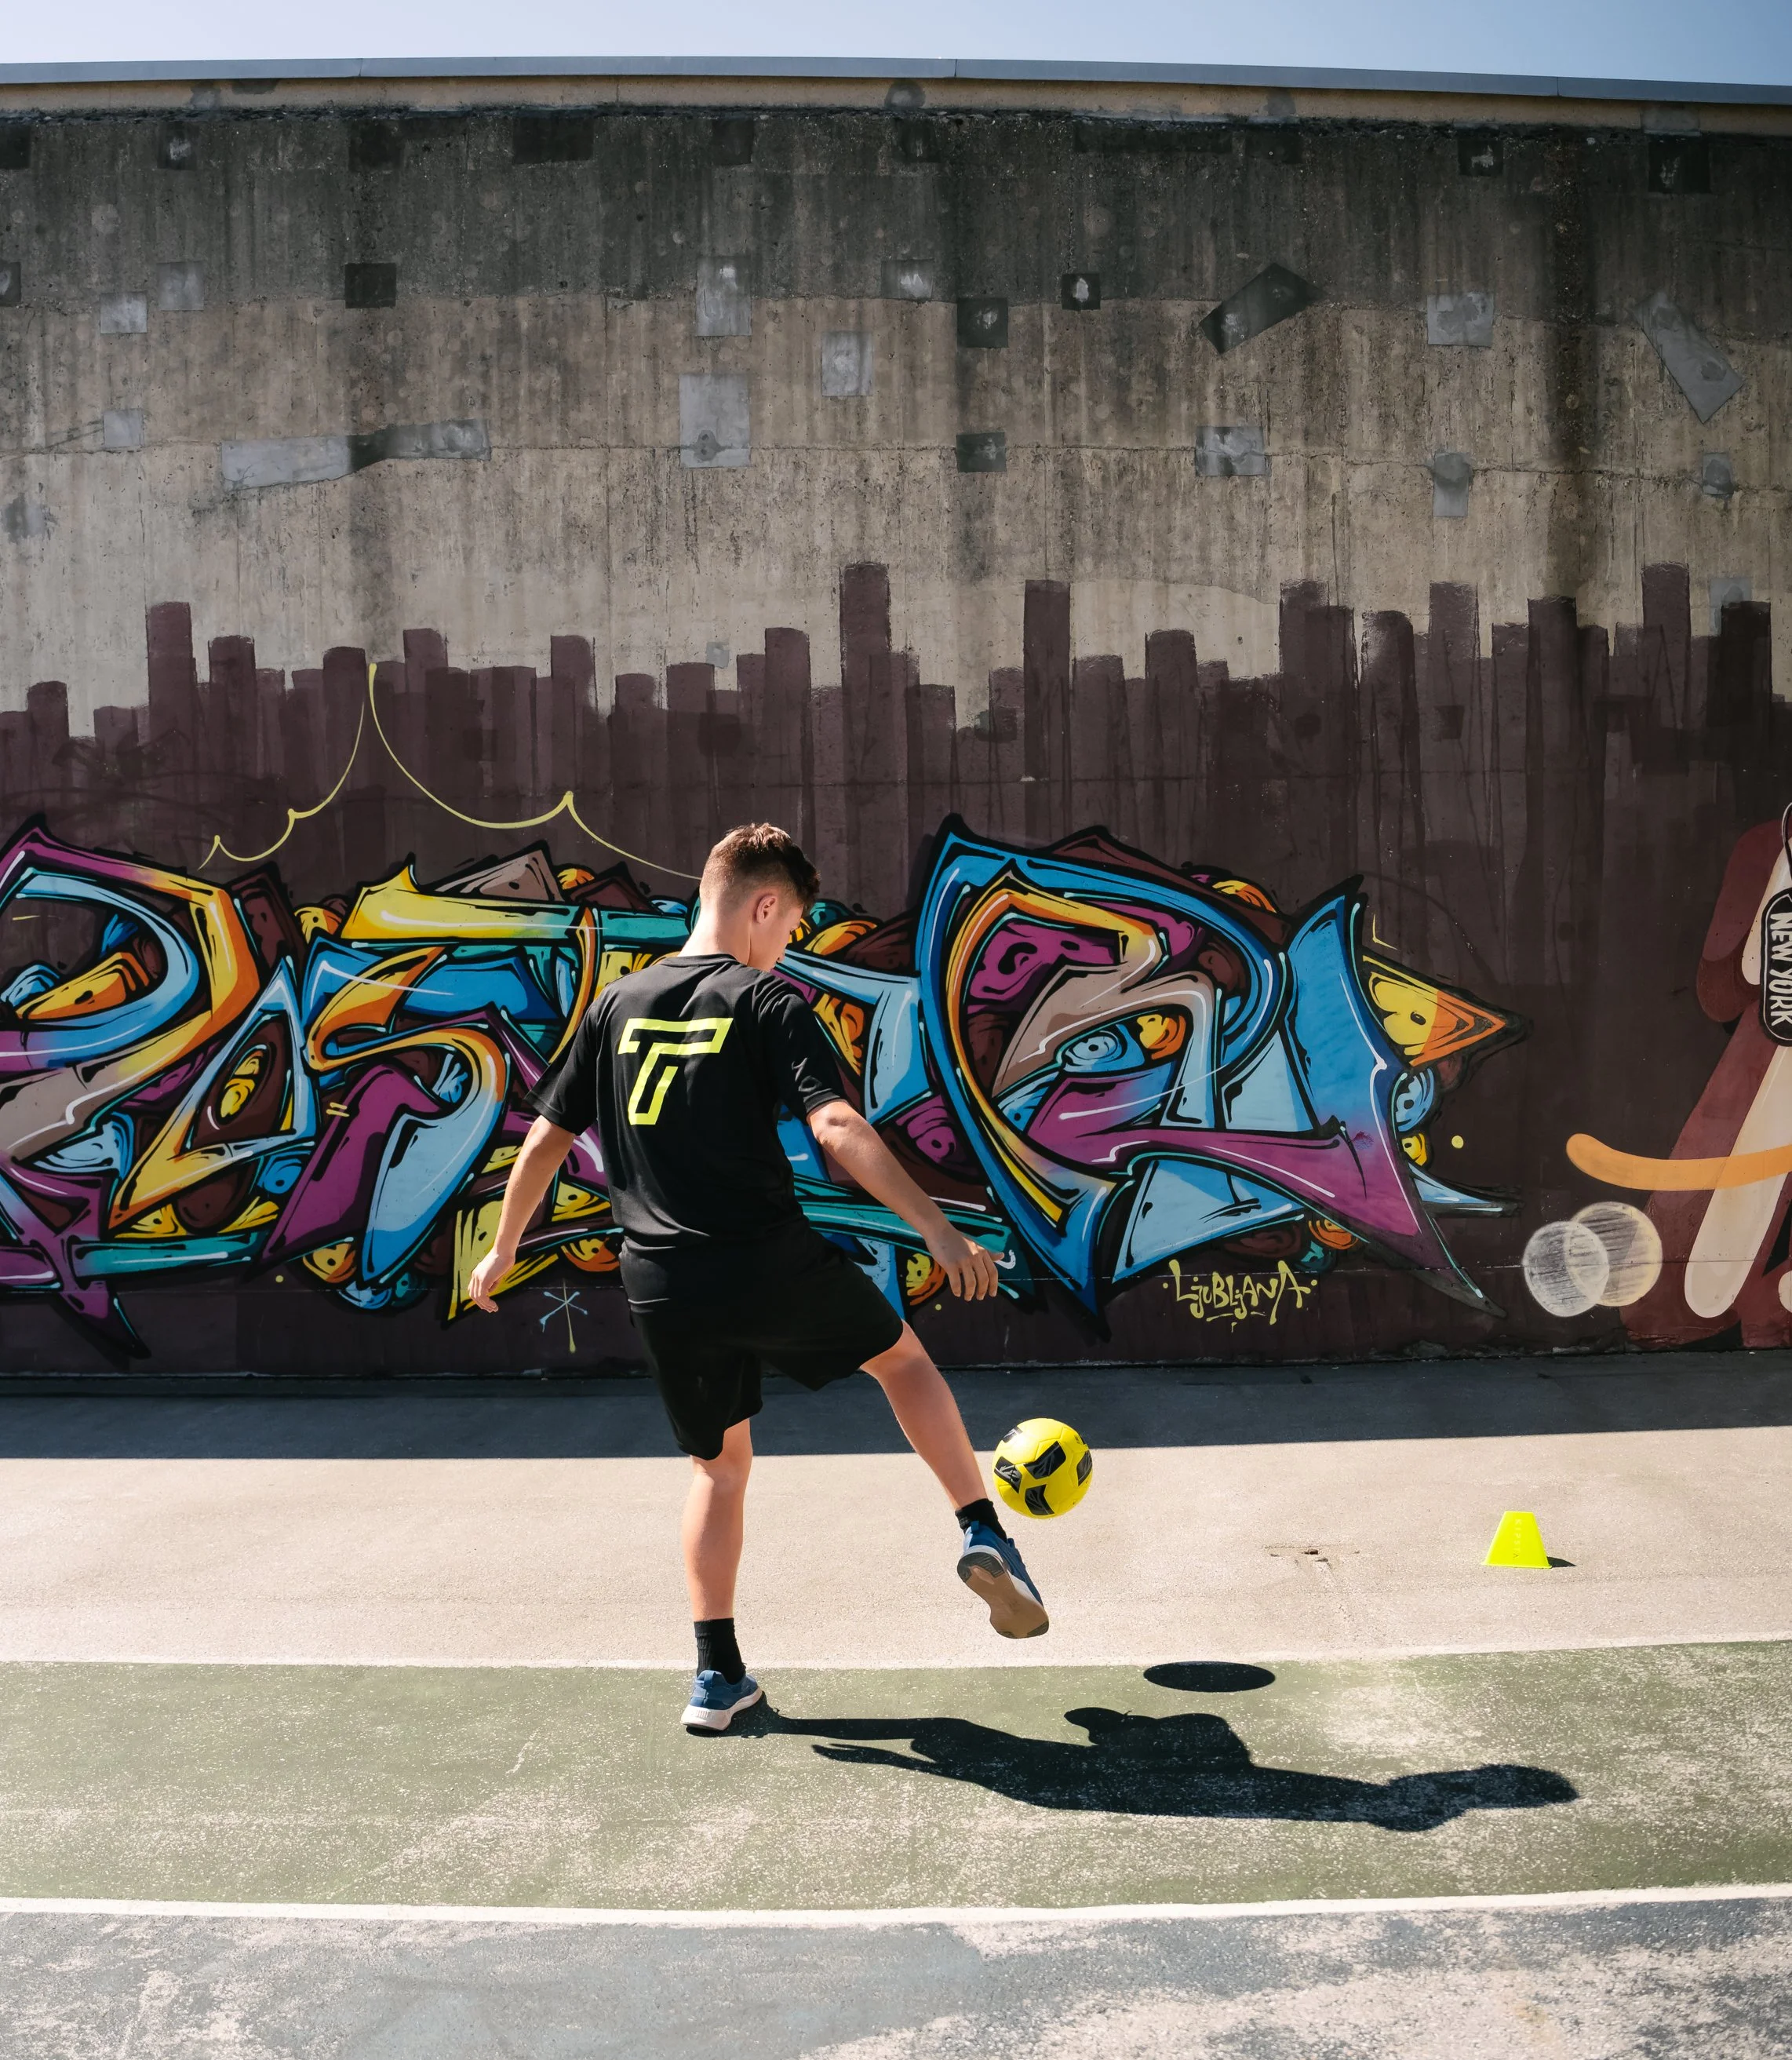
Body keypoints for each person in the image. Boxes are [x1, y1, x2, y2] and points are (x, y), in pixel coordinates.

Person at [467, 822, 1047, 1733]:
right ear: (763, 904)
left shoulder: (615, 1004)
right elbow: (838, 1130)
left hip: (659, 1281)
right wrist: (938, 1230)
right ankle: (982, 1528)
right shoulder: (767, 1002)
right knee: (902, 1363)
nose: (788, 945)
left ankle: (715, 1679)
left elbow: (544, 1139)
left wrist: (502, 1247)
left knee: (718, 1470)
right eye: (790, 926)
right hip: (762, 1258)